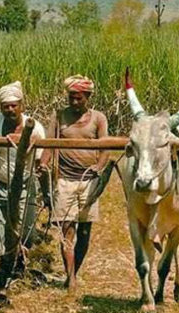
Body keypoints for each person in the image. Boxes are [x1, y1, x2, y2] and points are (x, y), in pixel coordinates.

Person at [39, 75, 109, 292]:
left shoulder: (98, 118)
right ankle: (70, 278)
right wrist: (43, 163)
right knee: (67, 230)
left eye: (79, 98)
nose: (74, 102)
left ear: (87, 97)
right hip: (65, 180)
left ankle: (73, 272)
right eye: (71, 98)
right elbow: (49, 144)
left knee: (85, 232)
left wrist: (99, 166)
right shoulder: (59, 116)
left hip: (89, 181)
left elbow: (105, 148)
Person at [0, 81, 46, 255]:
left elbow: (40, 161)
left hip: (25, 183)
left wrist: (45, 185)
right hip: (0, 183)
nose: (10, 110)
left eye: (13, 106)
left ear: (21, 106)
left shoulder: (36, 127)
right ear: (0, 107)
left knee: (25, 230)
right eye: (5, 106)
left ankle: (22, 262)